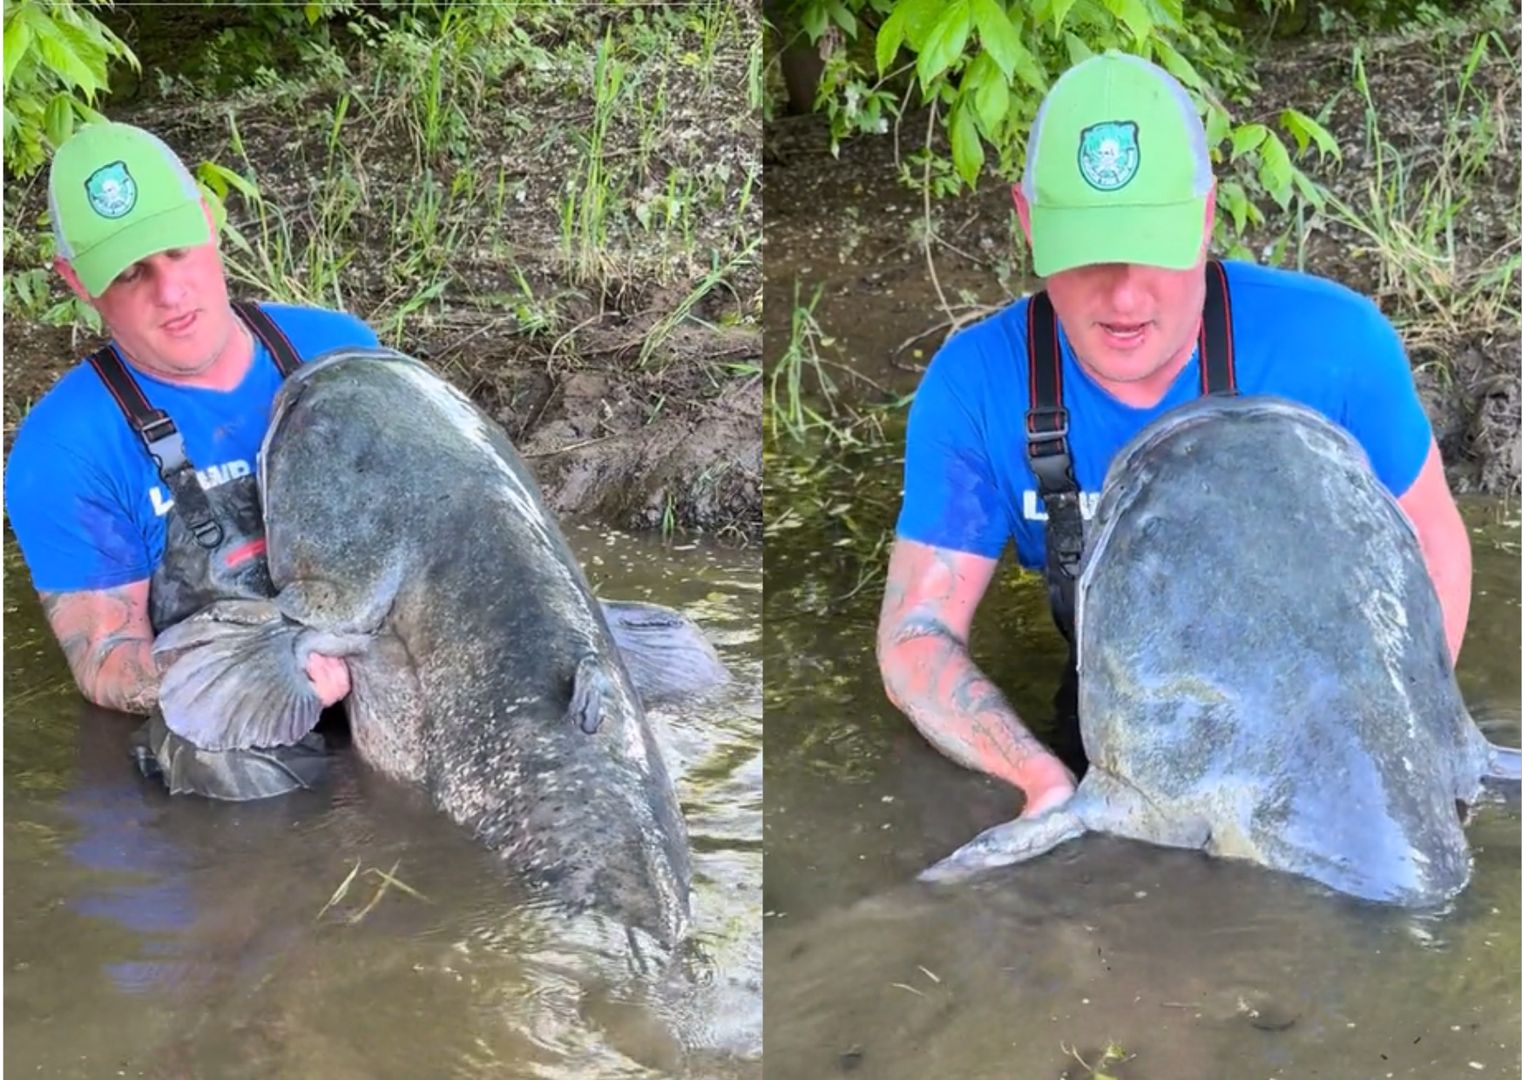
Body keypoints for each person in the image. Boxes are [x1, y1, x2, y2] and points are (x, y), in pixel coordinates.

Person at [875, 52, 1471, 820]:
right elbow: (916, 636)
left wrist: (1405, 740)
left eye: (1153, 247)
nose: (1124, 293)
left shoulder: (1334, 347)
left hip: (1331, 699)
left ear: (1204, 216)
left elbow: (1434, 545)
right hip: (1133, 710)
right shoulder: (973, 391)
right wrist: (1041, 781)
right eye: (1088, 251)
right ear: (1027, 220)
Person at [5, 121, 379, 722]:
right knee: (219, 765)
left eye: (176, 250)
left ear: (207, 218)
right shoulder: (60, 452)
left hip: (386, 651)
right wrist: (254, 674)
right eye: (130, 274)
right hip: (240, 711)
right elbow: (107, 659)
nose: (171, 292)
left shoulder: (343, 351)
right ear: (76, 281)